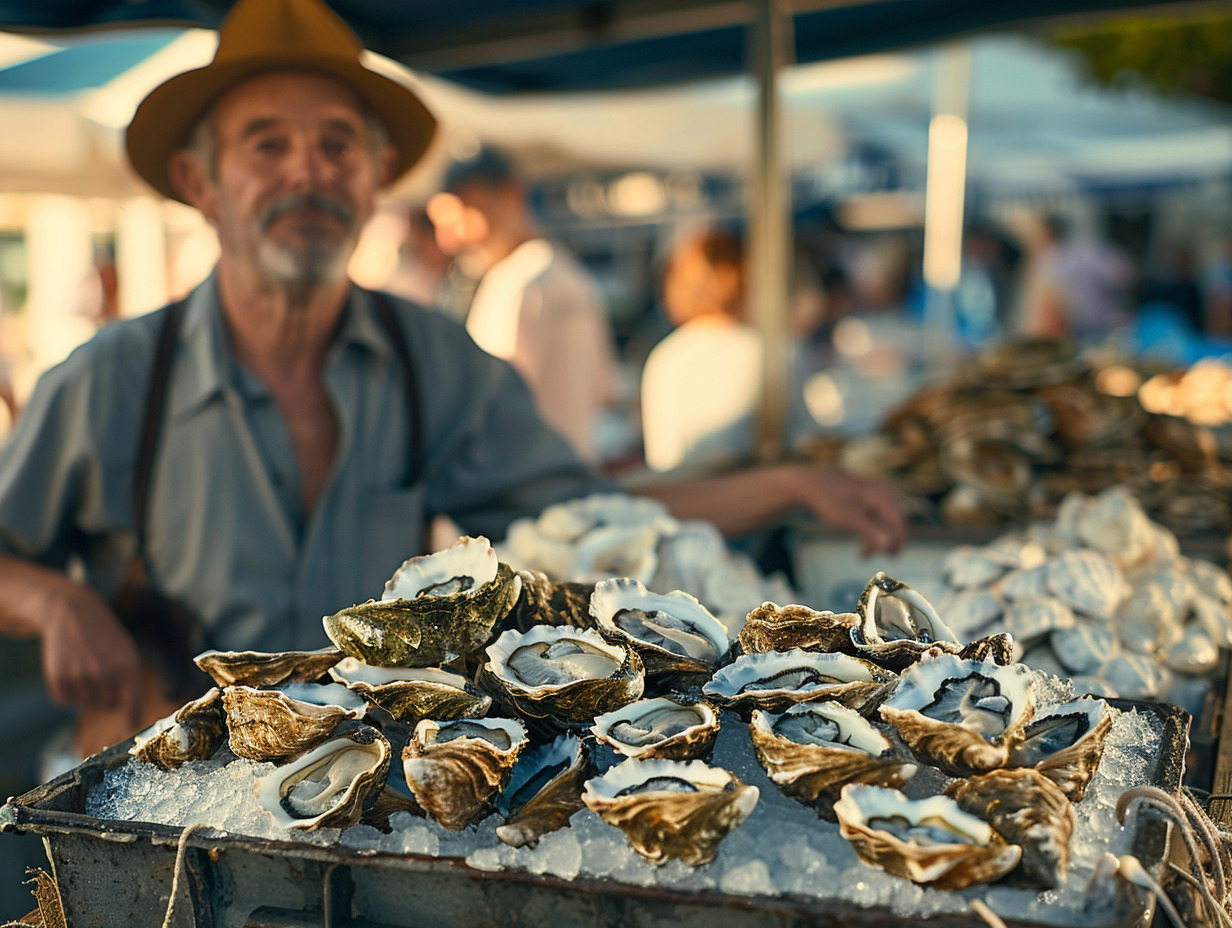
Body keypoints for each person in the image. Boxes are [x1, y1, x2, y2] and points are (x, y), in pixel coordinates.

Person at [0, 0, 905, 759]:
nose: (308, 171)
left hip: (366, 787)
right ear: (201, 180)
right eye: (266, 146)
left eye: (337, 146)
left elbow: (598, 522)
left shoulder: (429, 360)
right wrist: (54, 597)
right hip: (161, 791)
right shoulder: (112, 380)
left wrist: (789, 484)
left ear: (378, 175)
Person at [428, 148, 618, 463]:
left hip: (523, 481)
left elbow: (491, 409)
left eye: (466, 212)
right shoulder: (573, 276)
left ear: (510, 195)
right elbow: (604, 391)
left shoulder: (515, 284)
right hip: (573, 472)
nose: (452, 237)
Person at [641, 230, 815, 473]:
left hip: (686, 498)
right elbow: (808, 443)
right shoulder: (777, 352)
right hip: (760, 497)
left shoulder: (664, 357)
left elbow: (661, 457)